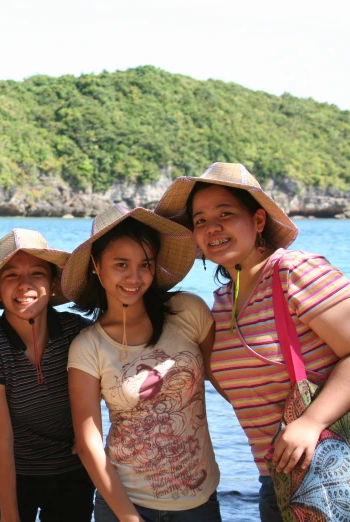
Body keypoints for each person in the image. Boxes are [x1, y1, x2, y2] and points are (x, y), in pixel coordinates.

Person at [156, 162, 350, 522]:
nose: (212, 228)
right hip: (274, 482)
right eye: (200, 220)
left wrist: (311, 422)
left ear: (258, 220)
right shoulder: (222, 302)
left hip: (333, 473)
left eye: (226, 214)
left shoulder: (293, 271)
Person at [62, 205, 221, 522]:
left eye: (145, 265)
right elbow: (89, 441)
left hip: (199, 502)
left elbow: (227, 382)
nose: (135, 277)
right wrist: (128, 516)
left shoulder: (187, 311)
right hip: (124, 502)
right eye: (121, 264)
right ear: (97, 265)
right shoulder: (88, 346)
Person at [0, 229, 95, 522]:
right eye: (11, 276)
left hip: (73, 472)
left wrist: (89, 434)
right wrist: (9, 513)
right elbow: (1, 439)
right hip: (13, 473)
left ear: (52, 285)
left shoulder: (77, 332)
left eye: (36, 274)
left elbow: (117, 389)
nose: (24, 285)